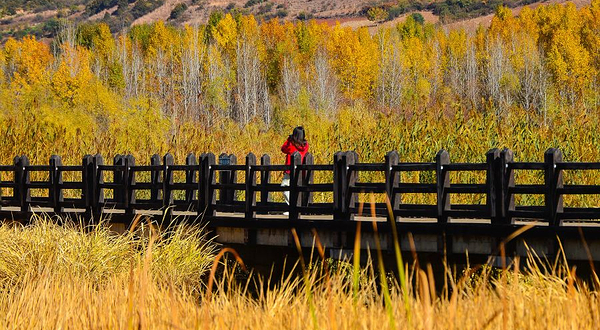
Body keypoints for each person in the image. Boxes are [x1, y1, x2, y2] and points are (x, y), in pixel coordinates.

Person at [281, 126, 309, 214]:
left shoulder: (291, 144)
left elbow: (283, 149)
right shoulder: (305, 145)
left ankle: (292, 207)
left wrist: (288, 140)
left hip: (289, 170)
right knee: (296, 189)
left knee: (285, 186)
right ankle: (296, 208)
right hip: (300, 171)